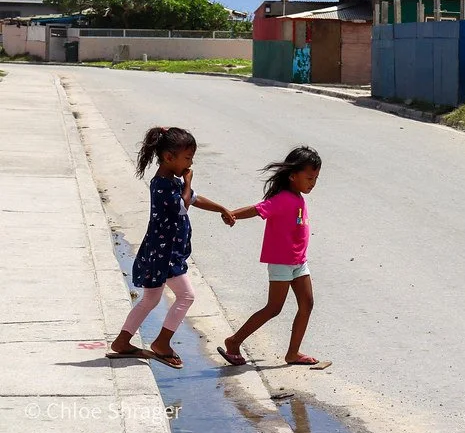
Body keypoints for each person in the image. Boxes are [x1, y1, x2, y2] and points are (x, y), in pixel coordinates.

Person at [106, 127, 234, 369]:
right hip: (165, 255)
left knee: (150, 300)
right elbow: (182, 206)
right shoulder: (163, 185)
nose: (191, 163)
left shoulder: (172, 182)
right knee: (186, 296)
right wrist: (187, 183)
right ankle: (162, 343)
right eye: (187, 158)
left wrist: (222, 209)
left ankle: (123, 342)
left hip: (162, 252)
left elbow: (195, 199)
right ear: (169, 157)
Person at [218, 146, 322, 367]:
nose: (312, 183)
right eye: (310, 178)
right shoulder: (284, 198)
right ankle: (234, 341)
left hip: (298, 261)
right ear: (293, 176)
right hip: (282, 262)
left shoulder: (297, 196)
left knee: (307, 304)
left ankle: (292, 353)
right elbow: (258, 209)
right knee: (274, 308)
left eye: (316, 178)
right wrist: (232, 214)